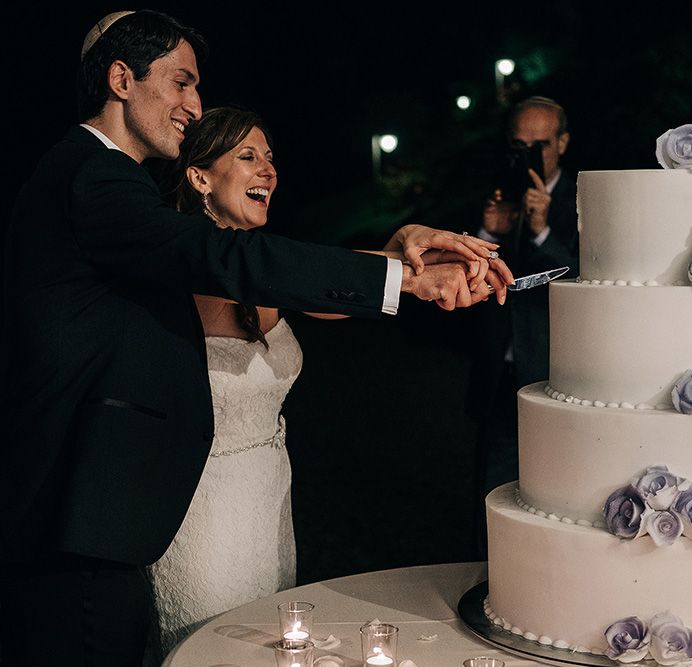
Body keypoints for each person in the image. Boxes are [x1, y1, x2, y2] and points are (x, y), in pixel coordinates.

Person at [0, 10, 512, 666]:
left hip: (111, 521)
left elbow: (253, 273)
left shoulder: (98, 185)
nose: (194, 104)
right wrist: (393, 274)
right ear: (121, 79)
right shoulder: (94, 178)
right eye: (181, 83)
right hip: (76, 525)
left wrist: (393, 265)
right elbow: (231, 262)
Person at [466, 96, 579, 559]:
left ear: (563, 143)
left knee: (560, 498)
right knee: (493, 500)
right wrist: (488, 234)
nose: (529, 155)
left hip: (558, 379)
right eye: (519, 145)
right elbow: (466, 289)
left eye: (540, 145)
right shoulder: (497, 193)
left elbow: (585, 282)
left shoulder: (582, 198)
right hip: (500, 375)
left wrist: (539, 229)